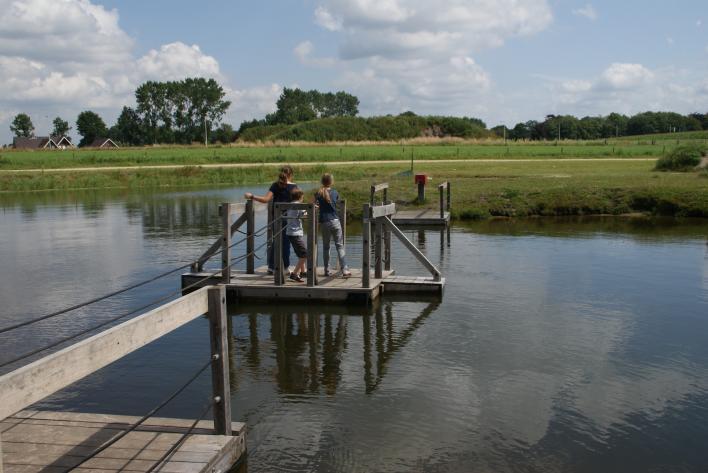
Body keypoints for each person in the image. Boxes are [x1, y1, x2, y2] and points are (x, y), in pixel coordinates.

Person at [244, 166, 296, 274]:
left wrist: (252, 196)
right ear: (291, 175)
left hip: (276, 217)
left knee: (276, 241)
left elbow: (265, 199)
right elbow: (298, 202)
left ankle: (271, 267)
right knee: (286, 243)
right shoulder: (294, 187)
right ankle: (285, 267)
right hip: (288, 218)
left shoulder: (275, 185)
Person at [314, 173, 351, 277]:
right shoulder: (335, 192)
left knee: (326, 247)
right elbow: (336, 202)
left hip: (324, 222)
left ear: (322, 182)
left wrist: (318, 206)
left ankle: (326, 270)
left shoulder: (318, 193)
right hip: (335, 221)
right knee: (339, 246)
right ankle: (345, 269)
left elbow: (312, 204)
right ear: (331, 182)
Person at [285, 188, 308, 283]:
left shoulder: (290, 205)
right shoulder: (299, 205)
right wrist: (312, 209)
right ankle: (294, 274)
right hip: (295, 233)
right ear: (300, 197)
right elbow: (305, 215)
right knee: (304, 254)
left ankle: (303, 272)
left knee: (300, 254)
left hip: (290, 233)